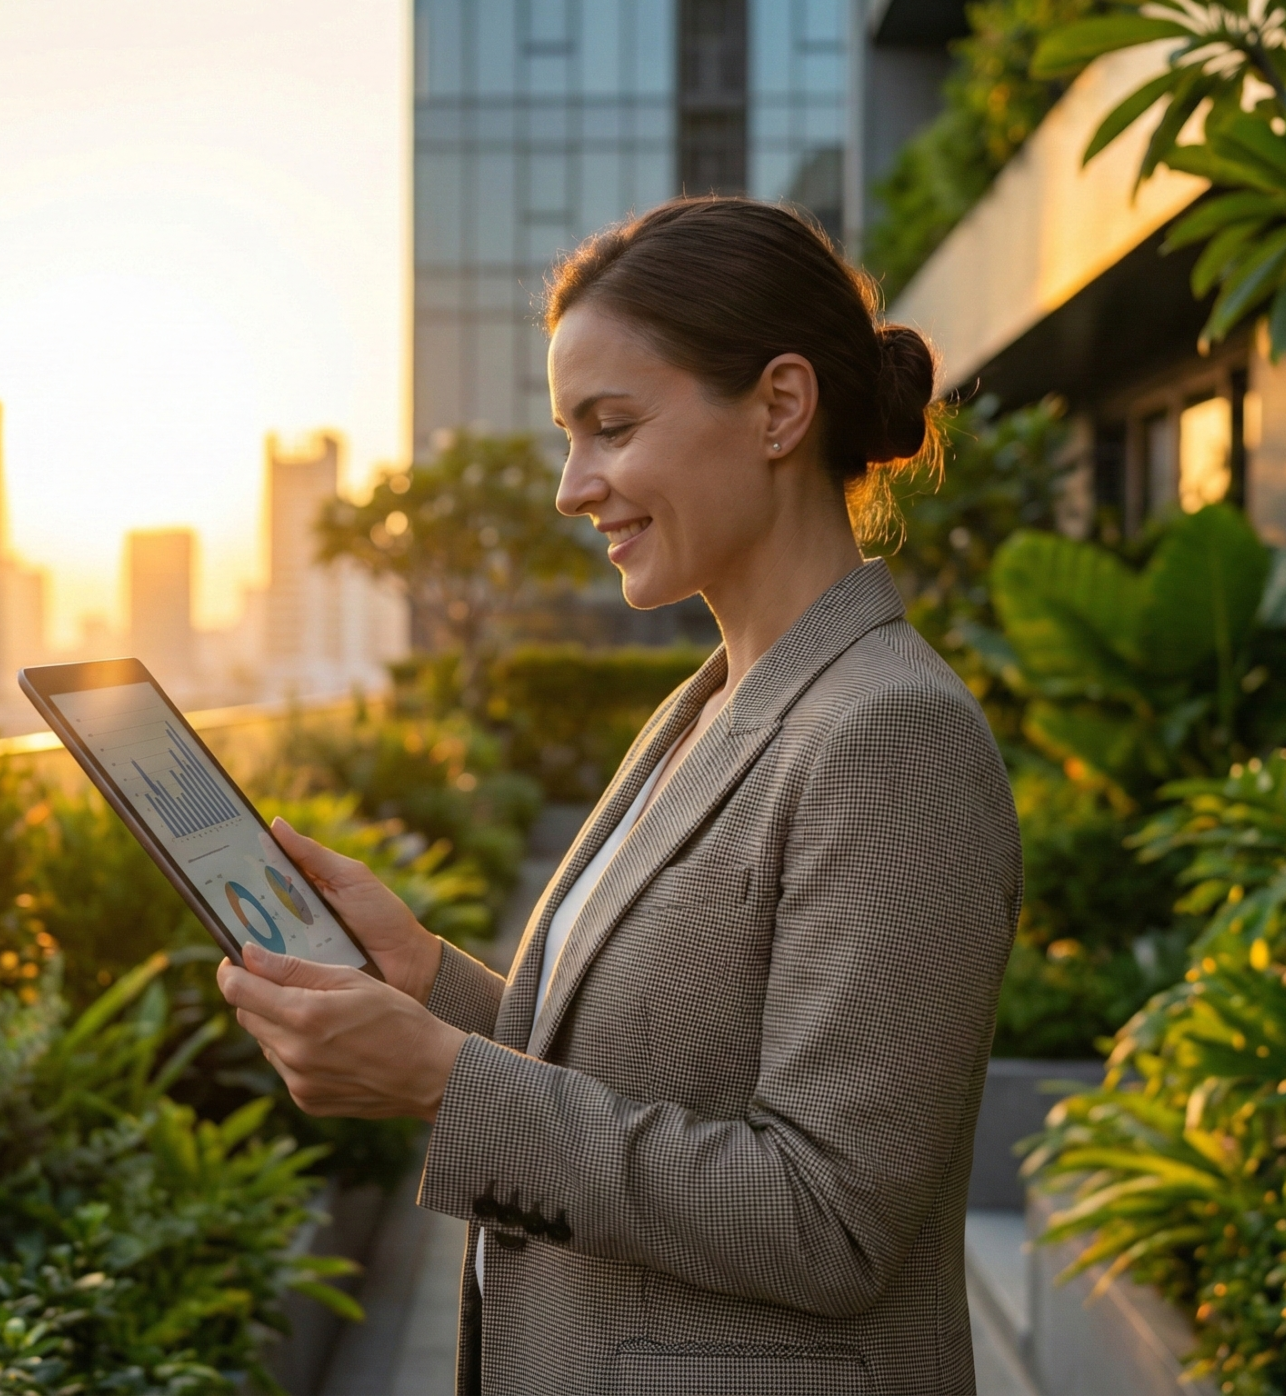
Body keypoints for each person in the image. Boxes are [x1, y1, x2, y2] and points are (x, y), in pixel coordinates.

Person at [217, 196, 1020, 1395]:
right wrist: (423, 978)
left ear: (780, 408)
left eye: (610, 427)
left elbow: (830, 1215)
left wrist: (442, 1080)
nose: (570, 486)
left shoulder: (889, 734)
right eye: (567, 435)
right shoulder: (705, 706)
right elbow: (650, 1071)